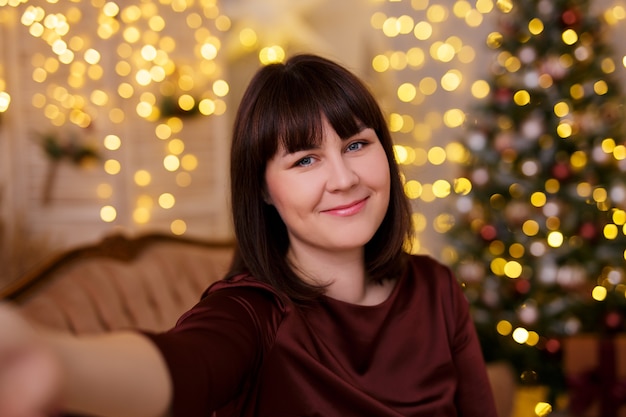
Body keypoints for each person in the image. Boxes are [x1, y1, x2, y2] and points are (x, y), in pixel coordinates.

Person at [0, 54, 498, 417]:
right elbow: (182, 367)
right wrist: (56, 362)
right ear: (262, 189)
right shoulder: (252, 312)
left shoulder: (435, 287)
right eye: (305, 159)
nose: (343, 178)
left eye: (356, 144)